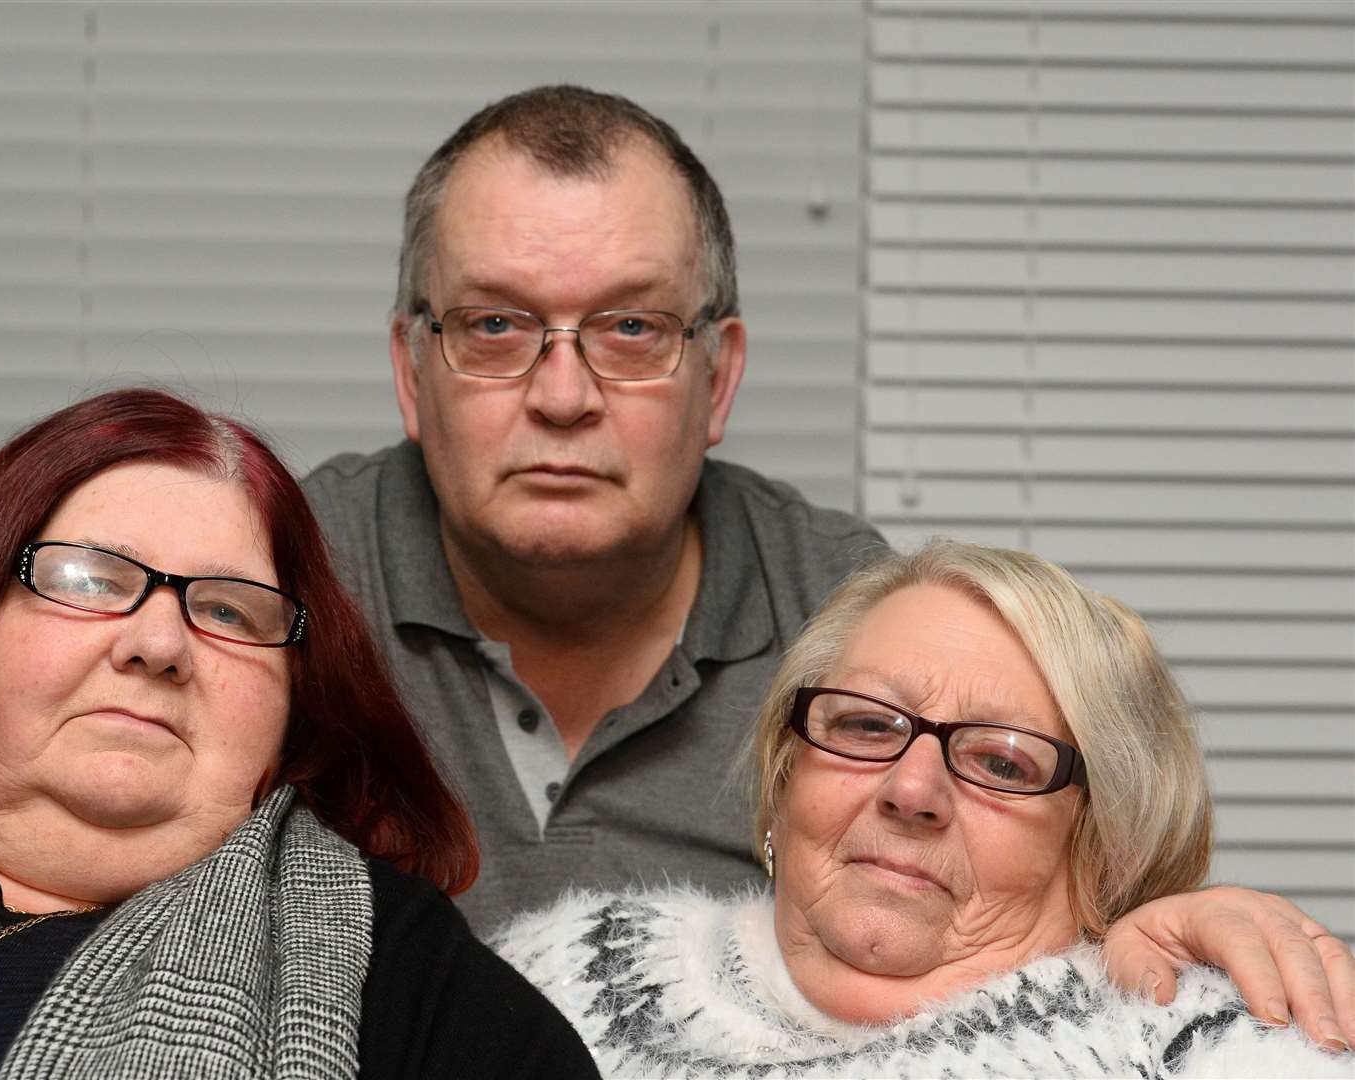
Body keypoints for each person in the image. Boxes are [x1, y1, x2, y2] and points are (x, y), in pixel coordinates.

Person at [302, 83, 1355, 1037]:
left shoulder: (856, 631)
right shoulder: (273, 585)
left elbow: (1016, 906)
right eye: (494, 325)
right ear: (410, 368)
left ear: (719, 380)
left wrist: (1162, 929)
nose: (564, 395)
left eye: (632, 328)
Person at [0, 388, 596, 1079]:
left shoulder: (403, 979)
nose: (156, 644)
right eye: (88, 578)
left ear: (298, 697)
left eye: (227, 608)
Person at [493, 540, 1354, 1077]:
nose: (910, 790)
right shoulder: (560, 974)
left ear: (1103, 844)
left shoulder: (1205, 1045)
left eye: (1000, 762)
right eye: (865, 725)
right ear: (786, 771)